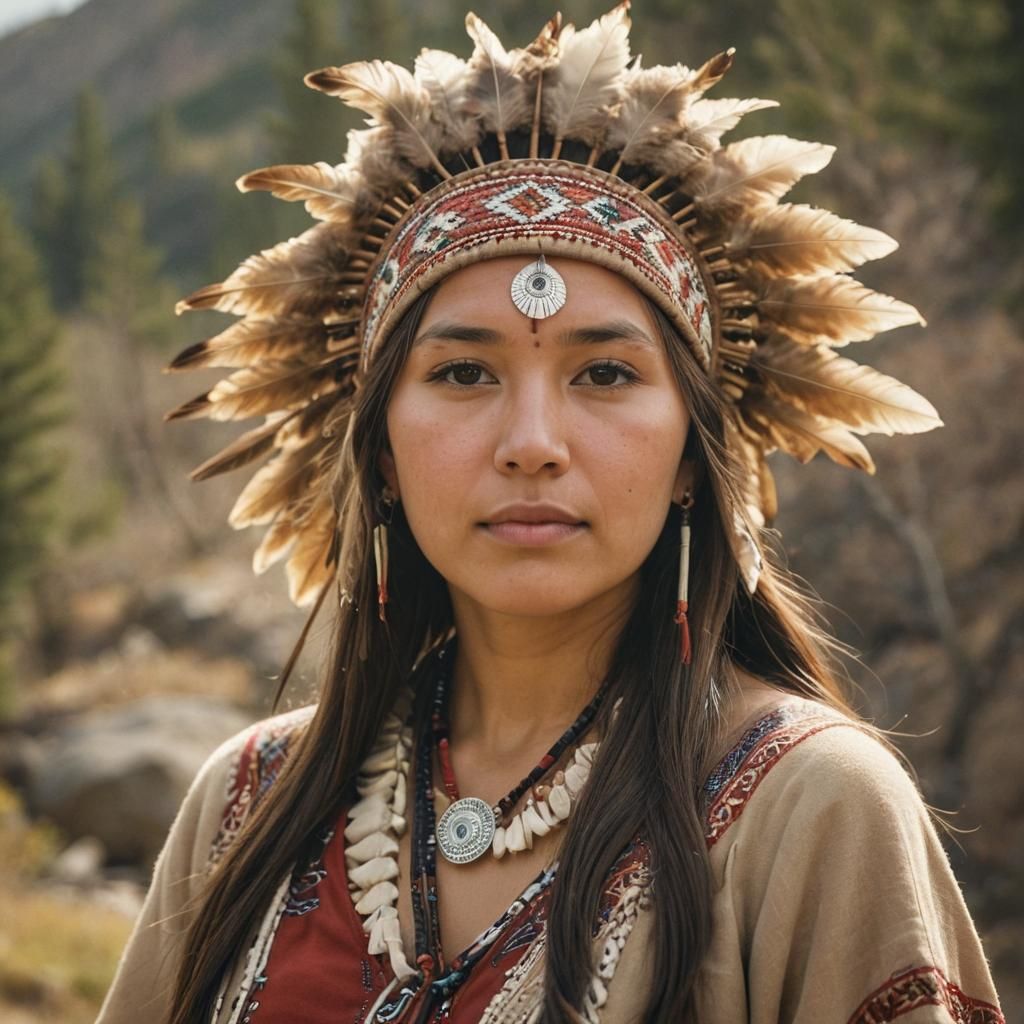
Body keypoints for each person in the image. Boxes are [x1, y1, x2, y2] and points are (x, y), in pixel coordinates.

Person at [97, 5, 1004, 1022]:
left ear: (690, 464)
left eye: (606, 372)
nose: (532, 439)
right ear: (382, 453)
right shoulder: (245, 805)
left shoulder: (813, 808)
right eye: (464, 371)